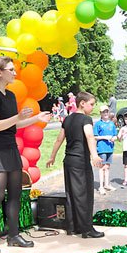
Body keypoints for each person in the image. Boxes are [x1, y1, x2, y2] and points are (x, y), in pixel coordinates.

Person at [0, 56, 51, 250]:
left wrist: (36, 117)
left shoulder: (10, 96)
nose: (14, 72)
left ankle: (13, 235)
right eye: (10, 69)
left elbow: (15, 123)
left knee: (15, 194)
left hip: (10, 148)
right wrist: (17, 117)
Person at [46, 91, 104, 238]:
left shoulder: (67, 119)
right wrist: (95, 155)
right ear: (82, 103)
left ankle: (73, 227)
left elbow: (59, 140)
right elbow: (90, 136)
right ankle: (87, 229)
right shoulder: (86, 119)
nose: (92, 107)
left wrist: (52, 157)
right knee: (84, 194)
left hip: (69, 161)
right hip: (80, 161)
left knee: (71, 194)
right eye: (91, 104)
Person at [93, 105, 117, 195]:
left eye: (107, 112)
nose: (105, 113)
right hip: (102, 148)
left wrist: (114, 138)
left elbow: (115, 134)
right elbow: (95, 137)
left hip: (110, 148)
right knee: (102, 167)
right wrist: (104, 137)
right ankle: (101, 186)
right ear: (101, 113)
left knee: (107, 167)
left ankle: (107, 184)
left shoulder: (111, 123)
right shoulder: (98, 124)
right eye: (103, 112)